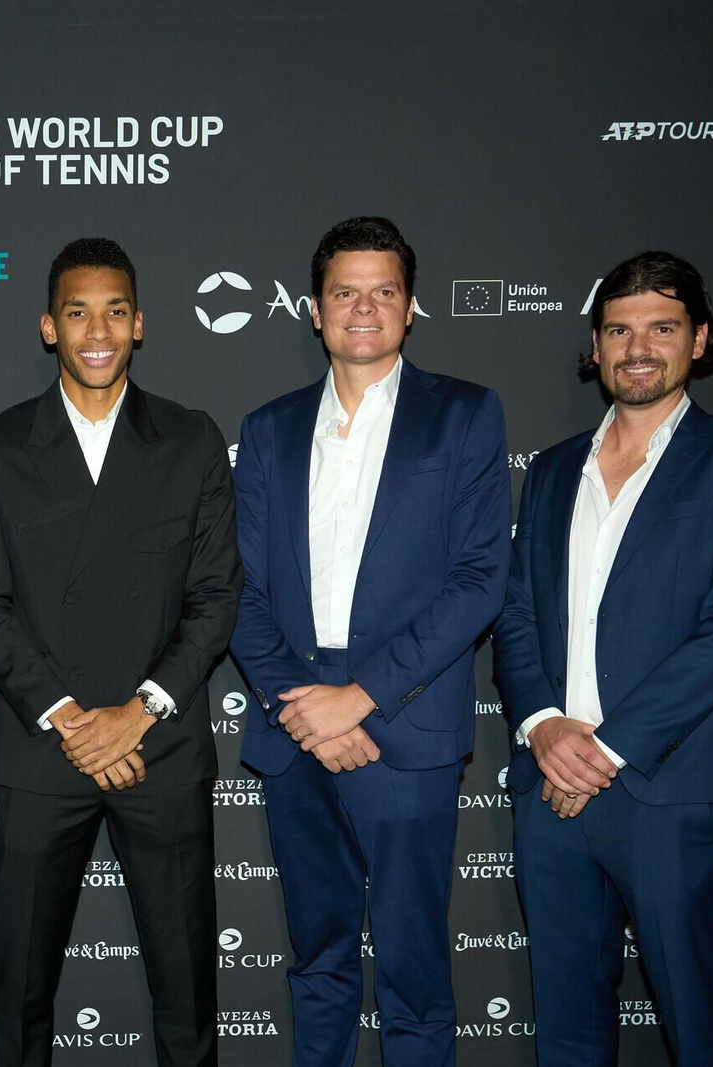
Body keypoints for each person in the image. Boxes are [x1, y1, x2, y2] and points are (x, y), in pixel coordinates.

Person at [494, 250, 713, 1066]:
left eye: (661, 327)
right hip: (550, 786)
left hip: (669, 788)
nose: (637, 348)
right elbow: (516, 614)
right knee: (567, 1024)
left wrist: (605, 747)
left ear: (700, 340)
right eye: (618, 329)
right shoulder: (553, 469)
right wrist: (547, 727)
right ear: (594, 345)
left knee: (696, 1020)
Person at [229, 216, 510, 1066]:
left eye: (383, 291)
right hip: (294, 726)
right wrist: (306, 706)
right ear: (313, 310)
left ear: (411, 306)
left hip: (405, 726)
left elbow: (478, 581)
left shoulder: (463, 414)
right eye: (345, 292)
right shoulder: (270, 426)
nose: (364, 308)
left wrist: (361, 697)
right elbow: (237, 588)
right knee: (316, 960)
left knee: (414, 967)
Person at [0, 237, 239, 1067]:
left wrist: (140, 712)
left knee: (188, 994)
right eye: (77, 310)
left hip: (163, 752)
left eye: (115, 309)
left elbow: (216, 596)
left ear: (141, 323)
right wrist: (74, 719)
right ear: (49, 326)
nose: (97, 328)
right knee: (18, 999)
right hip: (47, 751)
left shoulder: (190, 440)